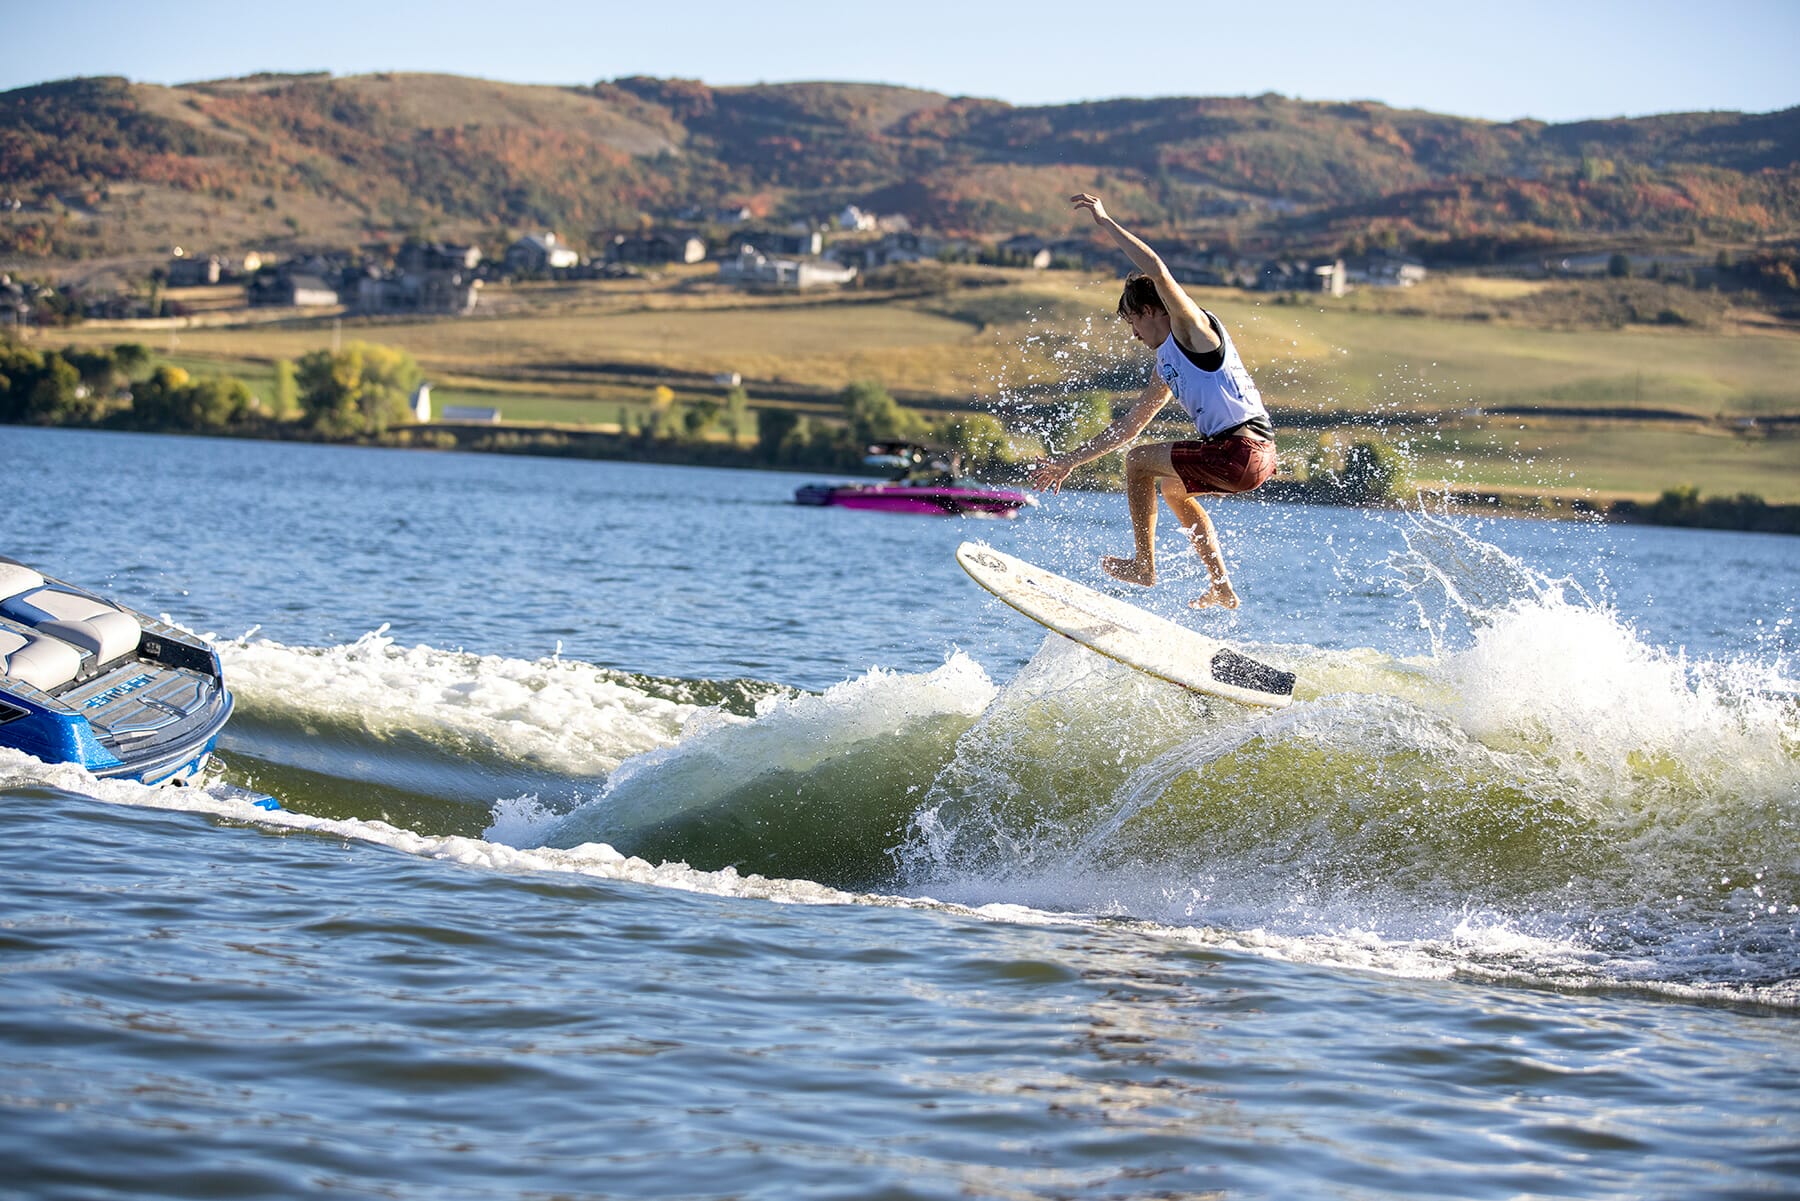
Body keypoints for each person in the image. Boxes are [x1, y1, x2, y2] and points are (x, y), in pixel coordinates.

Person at [1032, 193, 1277, 610]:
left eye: (1133, 321)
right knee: (1172, 489)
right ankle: (1221, 586)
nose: (1133, 334)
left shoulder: (1193, 329)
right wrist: (1069, 461)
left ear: (1152, 310)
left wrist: (1105, 222)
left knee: (1136, 463)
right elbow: (1130, 426)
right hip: (1256, 458)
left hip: (1239, 450)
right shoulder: (1165, 364)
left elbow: (1158, 271)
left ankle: (1144, 566)